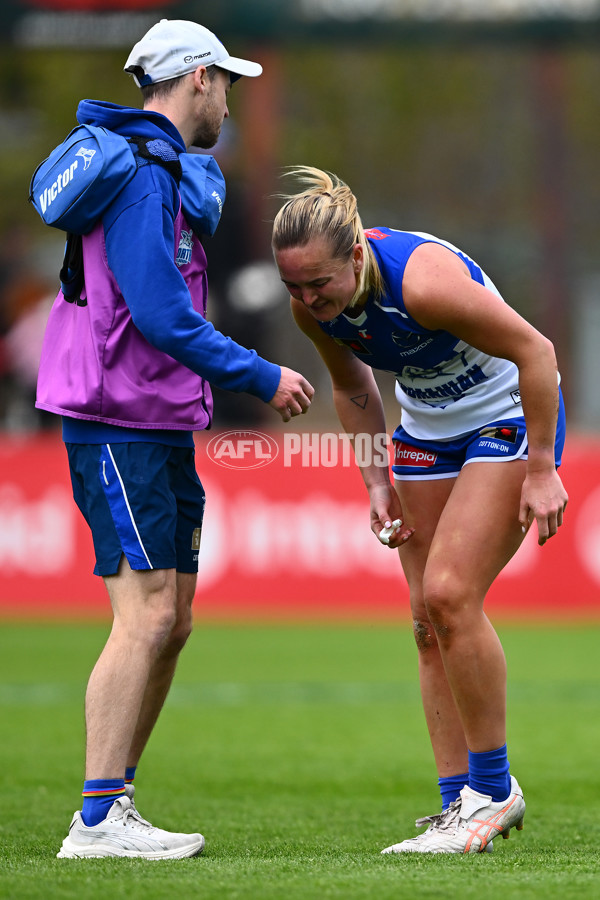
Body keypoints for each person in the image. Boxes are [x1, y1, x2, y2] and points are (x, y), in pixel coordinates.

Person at [35, 20, 314, 860]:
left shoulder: (160, 168)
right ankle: (98, 818)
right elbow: (160, 313)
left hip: (153, 417)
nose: (229, 100)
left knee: (175, 616)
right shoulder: (142, 174)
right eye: (225, 82)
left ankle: (115, 803)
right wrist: (259, 375)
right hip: (116, 419)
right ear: (198, 78)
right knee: (147, 612)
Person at [271, 167, 567, 855]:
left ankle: (493, 791)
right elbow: (352, 385)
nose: (309, 300)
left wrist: (543, 469)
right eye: (294, 287)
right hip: (426, 430)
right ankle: (456, 805)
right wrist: (375, 481)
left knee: (450, 593)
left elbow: (538, 352)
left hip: (504, 415)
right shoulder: (310, 307)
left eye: (319, 283)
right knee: (425, 622)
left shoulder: (422, 284)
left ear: (355, 256)